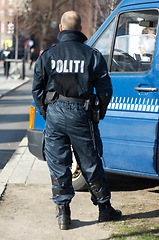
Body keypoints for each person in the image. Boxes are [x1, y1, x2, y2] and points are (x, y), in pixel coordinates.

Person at [32, 11, 122, 230]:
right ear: (80, 29)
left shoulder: (48, 55)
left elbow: (37, 90)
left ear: (61, 29)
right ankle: (104, 209)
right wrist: (98, 113)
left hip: (55, 112)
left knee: (59, 163)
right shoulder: (92, 55)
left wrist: (46, 111)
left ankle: (63, 214)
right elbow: (105, 89)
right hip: (81, 112)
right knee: (90, 162)